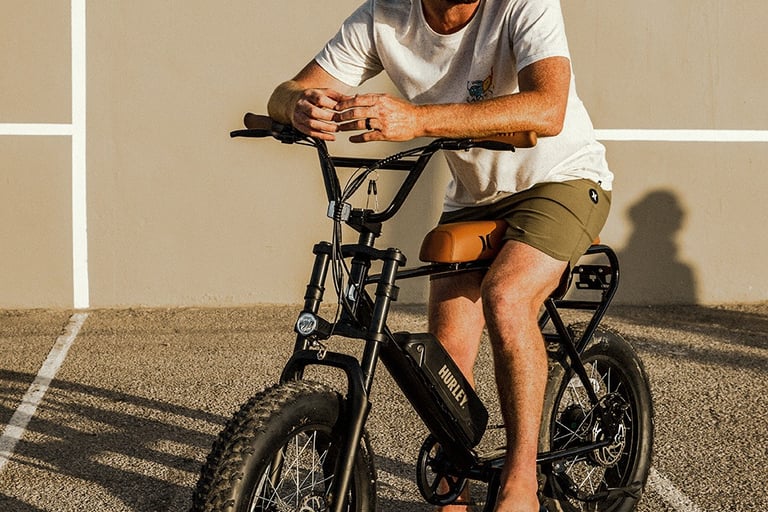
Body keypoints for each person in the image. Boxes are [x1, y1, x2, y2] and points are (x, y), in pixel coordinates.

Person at [267, 1, 613, 510]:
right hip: (474, 198)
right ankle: (454, 497)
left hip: (561, 181)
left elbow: (548, 108)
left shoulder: (522, 5)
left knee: (506, 297)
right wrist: (297, 106)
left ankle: (521, 481)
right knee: (444, 358)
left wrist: (415, 119)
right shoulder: (385, 15)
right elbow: (287, 90)